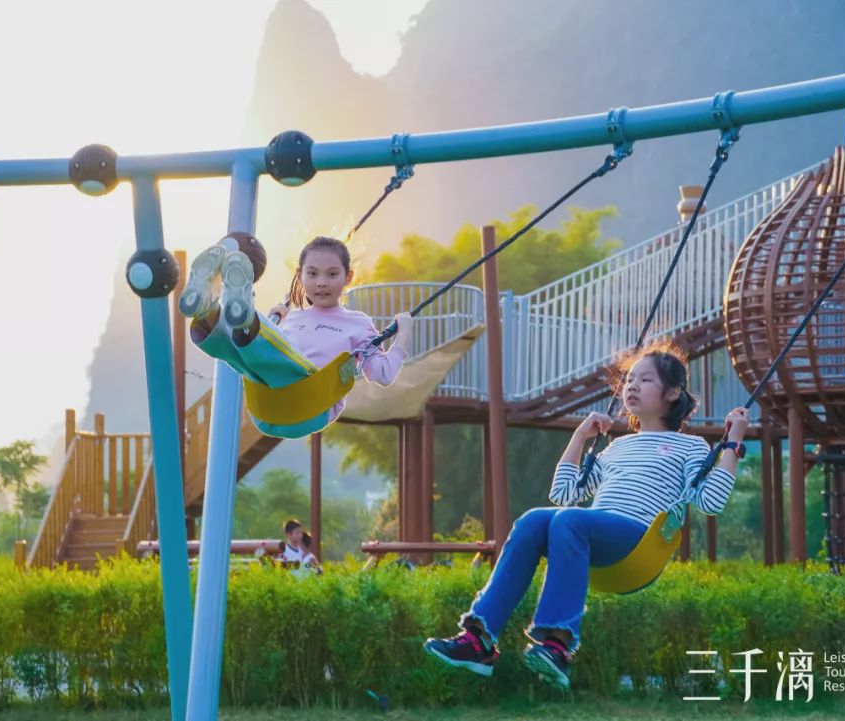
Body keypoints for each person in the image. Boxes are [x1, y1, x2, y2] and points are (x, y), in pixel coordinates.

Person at [423, 342, 748, 689]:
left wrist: (732, 444)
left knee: (569, 520)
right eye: (629, 380)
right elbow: (564, 493)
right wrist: (580, 437)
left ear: (672, 392)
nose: (632, 386)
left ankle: (558, 643)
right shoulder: (617, 447)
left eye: (645, 380)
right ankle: (478, 641)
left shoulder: (691, 446)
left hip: (639, 542)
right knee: (533, 520)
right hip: (594, 534)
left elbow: (711, 501)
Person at [179, 234, 412, 438]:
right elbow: (267, 359)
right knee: (242, 356)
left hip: (311, 405)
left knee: (270, 353)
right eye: (313, 274)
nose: (322, 282)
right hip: (266, 409)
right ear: (300, 276)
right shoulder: (292, 317)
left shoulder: (357, 323)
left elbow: (383, 374)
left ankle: (245, 315)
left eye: (332, 274)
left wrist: (403, 332)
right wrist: (274, 322)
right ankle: (209, 311)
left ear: (348, 277)